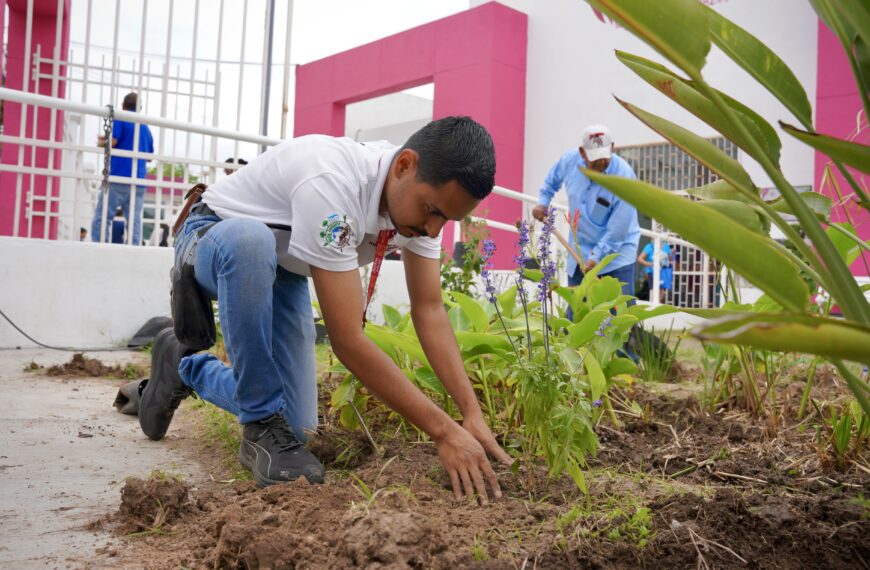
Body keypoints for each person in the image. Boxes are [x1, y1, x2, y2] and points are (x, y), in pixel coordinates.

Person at [139, 117, 512, 502]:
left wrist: (470, 413)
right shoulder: (333, 182)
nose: (434, 230)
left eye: (446, 220)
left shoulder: (416, 206)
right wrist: (444, 431)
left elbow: (430, 310)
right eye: (433, 211)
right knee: (251, 240)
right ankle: (259, 425)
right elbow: (348, 340)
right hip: (213, 235)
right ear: (404, 165)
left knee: (297, 428)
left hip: (283, 265)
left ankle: (184, 367)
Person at [532, 124, 640, 304]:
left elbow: (618, 231)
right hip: (579, 254)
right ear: (582, 152)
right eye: (594, 158)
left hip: (616, 257)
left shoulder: (625, 176)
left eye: (604, 157)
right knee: (579, 315)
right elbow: (551, 181)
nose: (601, 163)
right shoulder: (569, 161)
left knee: (620, 318)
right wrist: (543, 202)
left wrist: (596, 258)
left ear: (612, 148)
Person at [91, 92, 154, 245]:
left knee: (103, 216)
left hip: (118, 176)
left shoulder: (122, 117)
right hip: (138, 180)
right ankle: (134, 248)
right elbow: (149, 156)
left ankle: (99, 246)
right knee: (134, 220)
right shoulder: (144, 126)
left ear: (123, 105)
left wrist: (101, 142)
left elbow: (112, 142)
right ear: (140, 107)